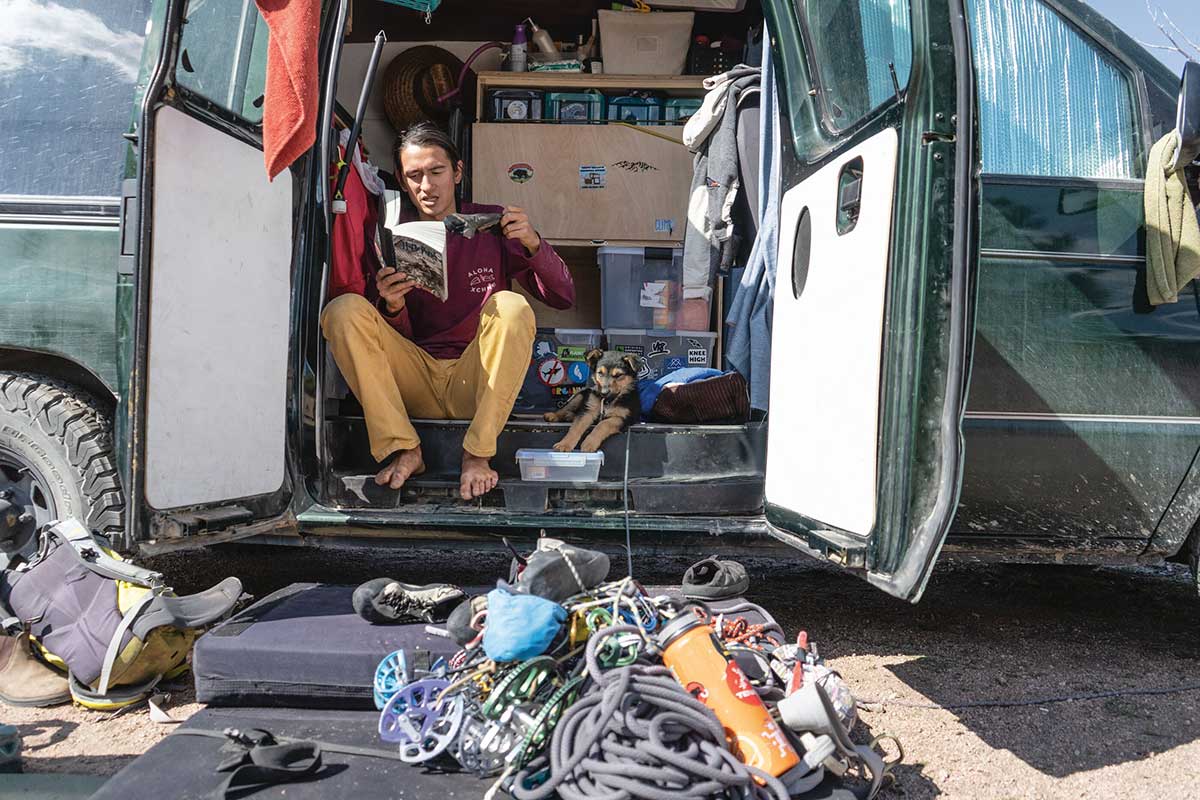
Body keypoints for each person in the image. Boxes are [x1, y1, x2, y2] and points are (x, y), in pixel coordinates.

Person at [322, 122, 575, 500]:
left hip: (476, 381)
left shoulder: (492, 224)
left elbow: (562, 296)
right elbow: (391, 341)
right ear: (403, 182)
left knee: (512, 306)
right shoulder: (390, 233)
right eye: (414, 176)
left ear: (457, 172)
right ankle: (404, 447)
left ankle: (476, 454)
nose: (427, 187)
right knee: (343, 310)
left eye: (437, 172)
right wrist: (392, 307)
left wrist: (533, 242)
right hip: (415, 377)